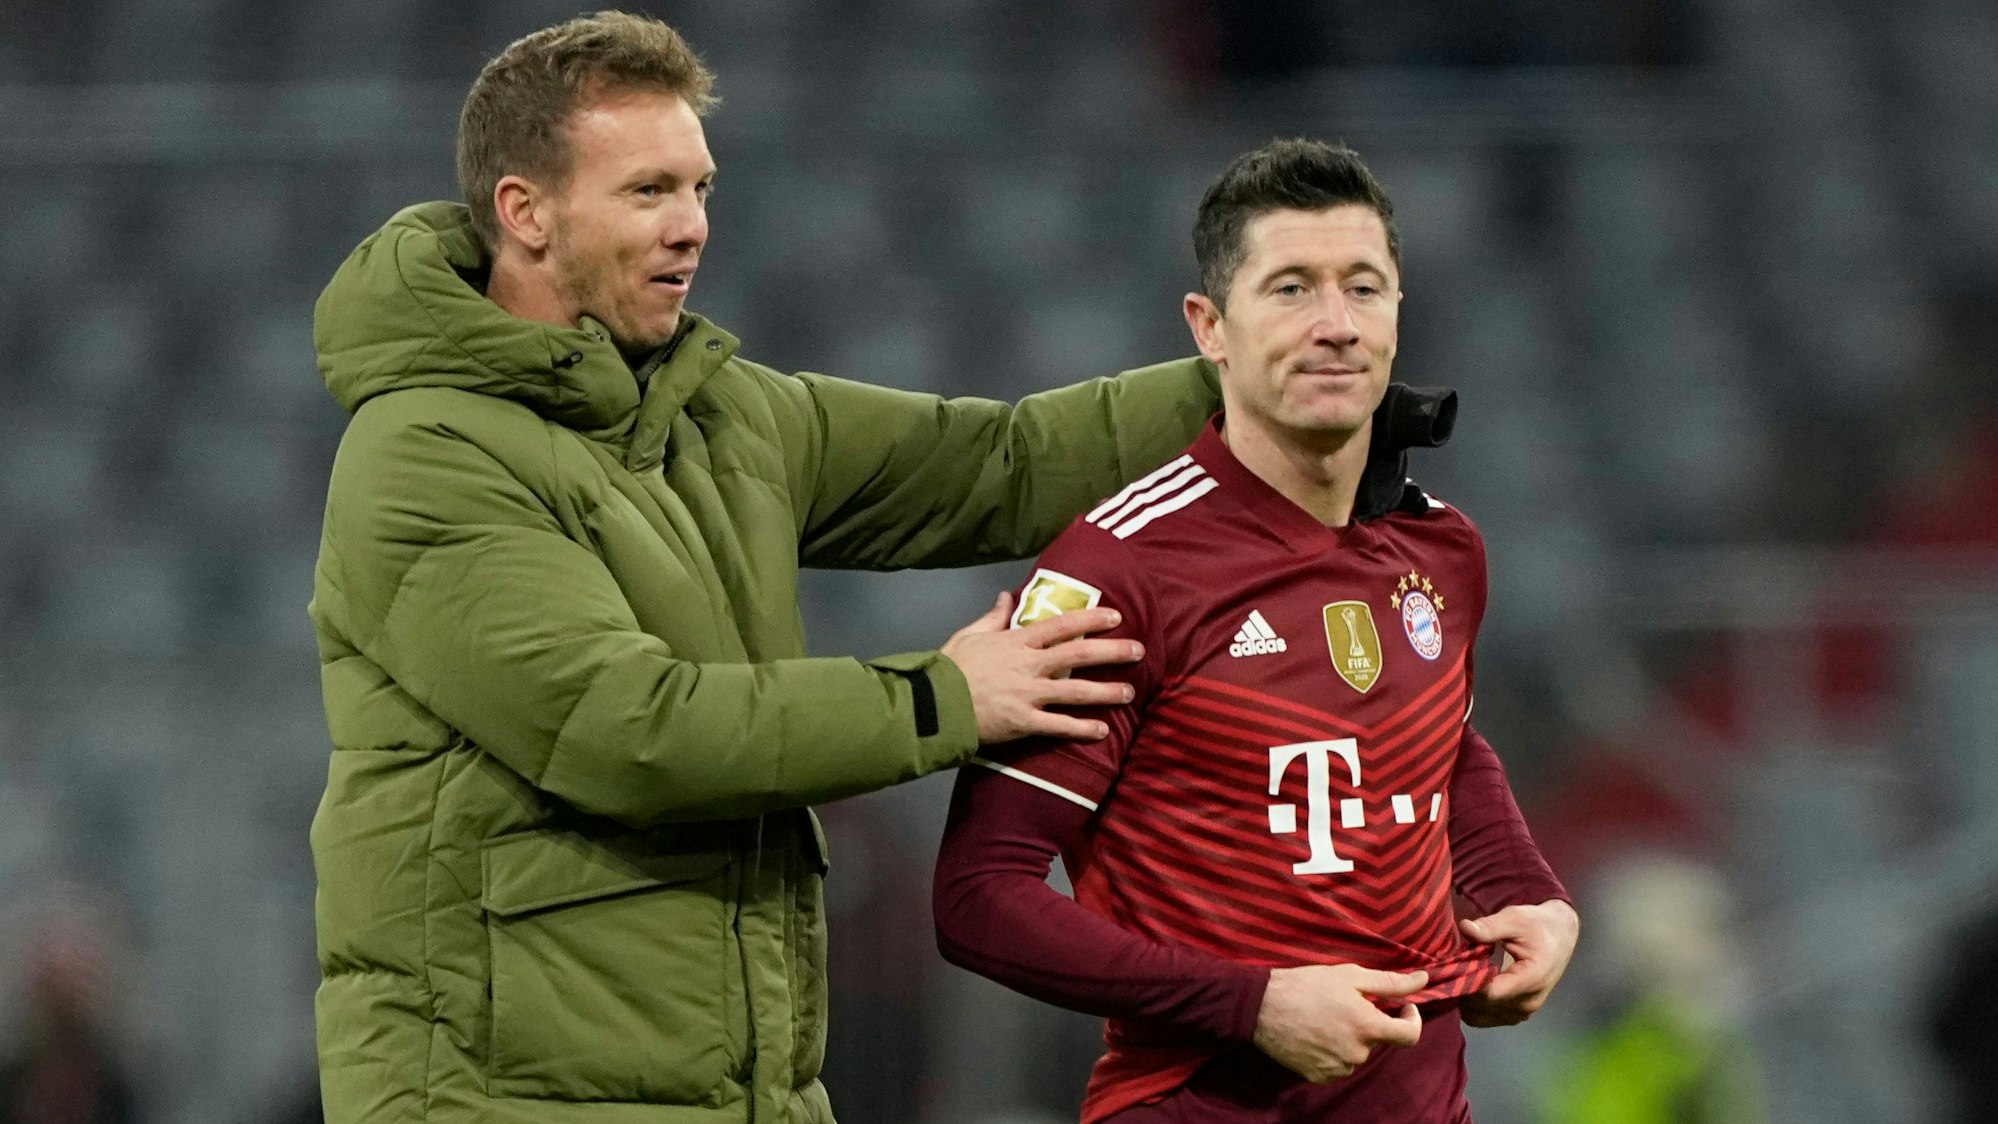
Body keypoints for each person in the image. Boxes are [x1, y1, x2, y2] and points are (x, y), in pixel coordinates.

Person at [307, 12, 1225, 1124]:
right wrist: (946, 695)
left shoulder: (720, 412)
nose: (691, 226)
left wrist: (1248, 386)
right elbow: (630, 728)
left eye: (700, 188)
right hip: (502, 1097)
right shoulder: (424, 453)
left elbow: (999, 459)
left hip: (733, 1090)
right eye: (649, 191)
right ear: (526, 212)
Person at [932, 139, 1579, 1122]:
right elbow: (980, 896)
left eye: (1365, 288)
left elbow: (1437, 746)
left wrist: (1527, 890)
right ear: (1210, 327)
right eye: (1290, 288)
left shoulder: (1441, 548)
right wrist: (1252, 1000)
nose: (1336, 325)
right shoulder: (1116, 571)